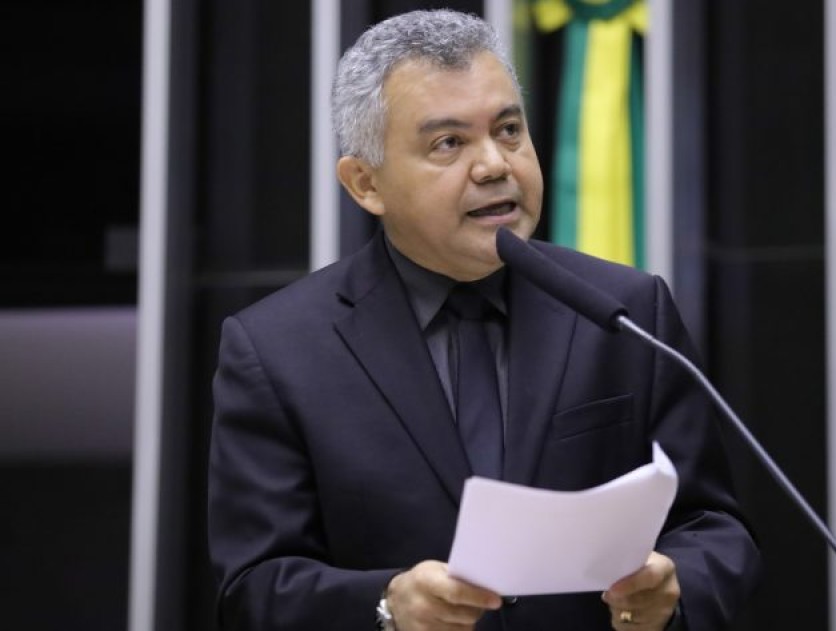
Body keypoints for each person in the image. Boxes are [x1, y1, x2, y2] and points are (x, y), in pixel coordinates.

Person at [207, 8, 760, 631]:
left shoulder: (625, 310)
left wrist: (674, 592)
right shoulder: (278, 350)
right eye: (449, 143)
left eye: (509, 130)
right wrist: (386, 606)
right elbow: (253, 588)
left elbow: (714, 528)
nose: (495, 164)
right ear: (365, 184)